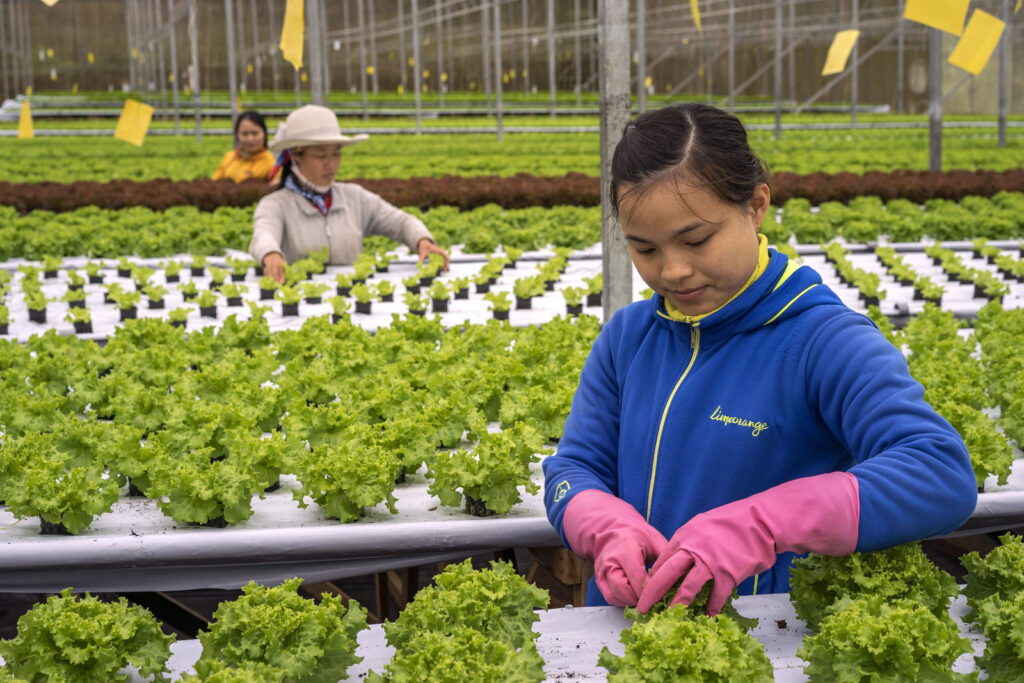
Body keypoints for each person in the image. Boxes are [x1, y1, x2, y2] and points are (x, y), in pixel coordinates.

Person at [542, 103, 977, 615]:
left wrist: (760, 526)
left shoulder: (824, 340)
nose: (673, 270)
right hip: (626, 636)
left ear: (756, 205)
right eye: (645, 249)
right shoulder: (627, 339)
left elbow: (940, 473)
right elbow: (574, 466)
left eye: (697, 239)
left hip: (767, 644)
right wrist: (603, 524)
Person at [250, 104, 449, 283]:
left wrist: (423, 241)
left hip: (350, 304)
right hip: (296, 303)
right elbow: (264, 234)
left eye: (336, 154)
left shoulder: (354, 198)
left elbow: (400, 222)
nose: (331, 163)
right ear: (296, 157)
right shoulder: (276, 204)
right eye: (321, 156)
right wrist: (271, 255)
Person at [212, 111, 276, 183]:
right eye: (244, 134)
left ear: (264, 133)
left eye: (255, 133)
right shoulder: (229, 158)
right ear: (237, 135)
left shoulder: (273, 162)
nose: (250, 139)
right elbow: (214, 185)